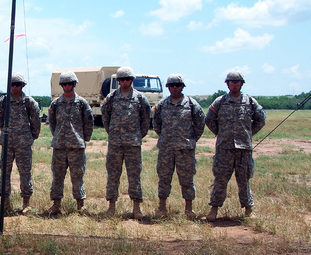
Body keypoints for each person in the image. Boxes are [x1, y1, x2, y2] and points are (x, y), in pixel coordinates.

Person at [205, 70, 266, 221]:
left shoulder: (250, 101)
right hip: (224, 148)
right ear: (227, 84)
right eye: (231, 82)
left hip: (244, 148)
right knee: (220, 179)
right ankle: (214, 209)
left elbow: (261, 119)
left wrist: (248, 133)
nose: (234, 84)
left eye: (237, 82)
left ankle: (248, 209)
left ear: (241, 84)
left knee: (244, 179)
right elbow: (209, 119)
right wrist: (220, 133)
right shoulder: (220, 101)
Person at [152, 74, 205, 220]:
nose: (174, 87)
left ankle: (189, 210)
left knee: (187, 179)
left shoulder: (192, 104)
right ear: (168, 87)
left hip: (185, 149)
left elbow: (200, 123)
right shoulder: (162, 105)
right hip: (166, 149)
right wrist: (164, 137)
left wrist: (191, 140)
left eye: (177, 85)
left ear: (182, 87)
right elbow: (156, 124)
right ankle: (161, 208)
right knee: (163, 178)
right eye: (172, 85)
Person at [101, 66, 151, 220]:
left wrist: (137, 135)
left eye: (127, 79)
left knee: (134, 176)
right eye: (122, 79)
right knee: (113, 175)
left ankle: (136, 208)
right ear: (118, 81)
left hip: (133, 144)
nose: (124, 81)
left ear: (132, 80)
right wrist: (113, 133)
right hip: (115, 143)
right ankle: (111, 207)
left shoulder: (140, 98)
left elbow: (146, 119)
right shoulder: (111, 98)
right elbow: (105, 117)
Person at [47, 71, 94, 216]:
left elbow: (89, 122)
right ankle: (56, 205)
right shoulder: (55, 104)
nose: (67, 86)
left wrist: (82, 138)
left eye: (70, 83)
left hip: (76, 147)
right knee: (58, 176)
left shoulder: (82, 103)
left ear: (74, 84)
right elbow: (52, 123)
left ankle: (80, 205)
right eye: (64, 84)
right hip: (60, 146)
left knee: (77, 176)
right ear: (61, 85)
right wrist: (58, 136)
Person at [0, 72, 41, 214]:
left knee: (25, 172)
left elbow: (36, 121)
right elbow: (0, 119)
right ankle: (5, 202)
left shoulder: (29, 102)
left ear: (23, 85)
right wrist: (6, 134)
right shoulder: (4, 101)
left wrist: (31, 136)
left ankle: (26, 203)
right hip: (7, 143)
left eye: (17, 84)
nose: (14, 87)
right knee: (5, 172)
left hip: (23, 143)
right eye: (12, 84)